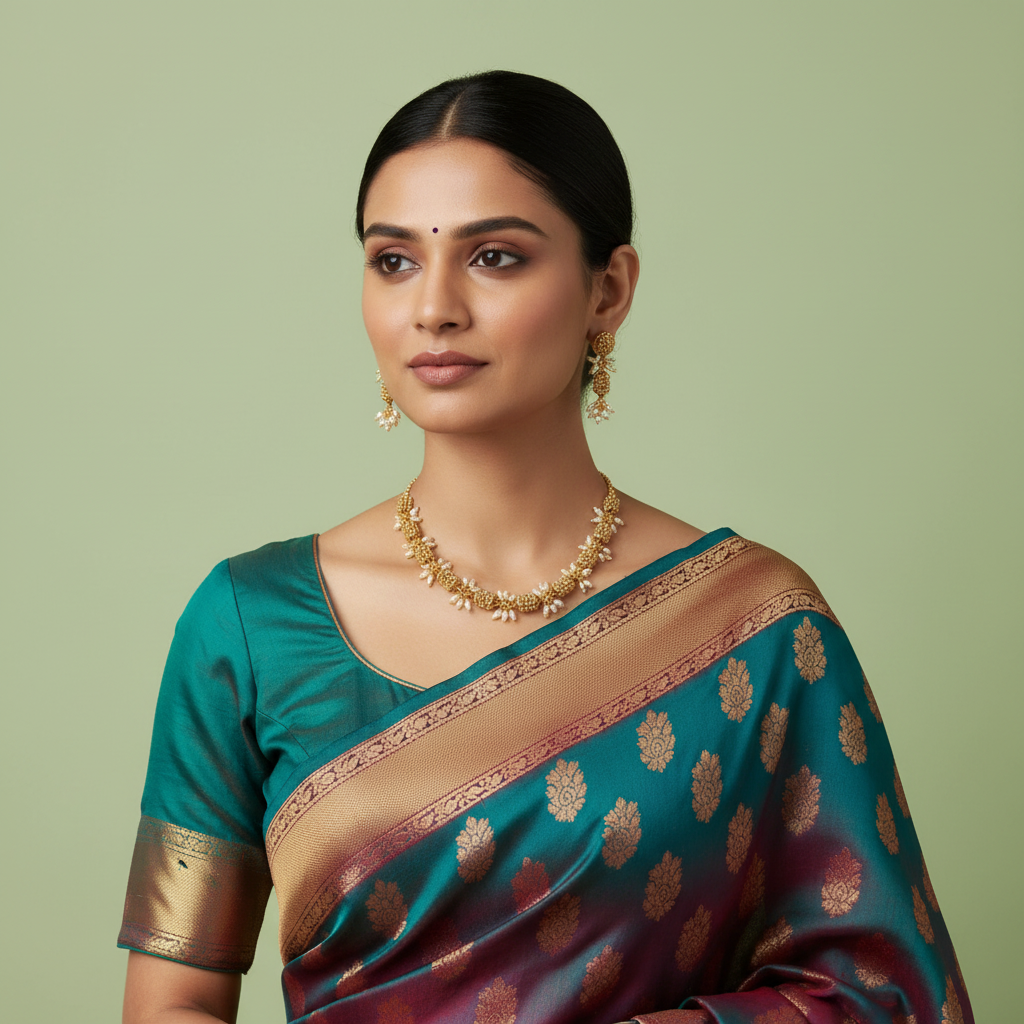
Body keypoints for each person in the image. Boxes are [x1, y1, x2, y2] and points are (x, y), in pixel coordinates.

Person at [119, 71, 972, 1024]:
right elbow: (173, 1000)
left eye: (494, 257)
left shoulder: (760, 630)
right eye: (393, 261)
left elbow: (884, 996)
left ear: (609, 289)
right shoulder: (247, 624)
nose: (433, 307)